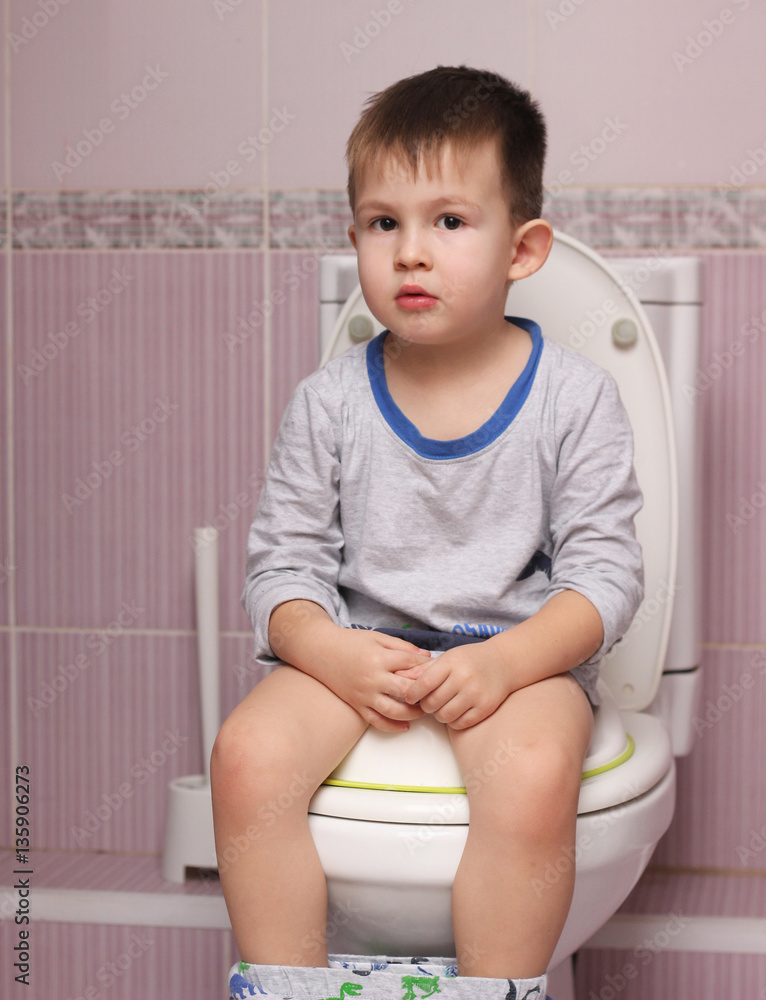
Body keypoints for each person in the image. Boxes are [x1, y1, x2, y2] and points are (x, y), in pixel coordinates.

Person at [211, 65, 644, 987]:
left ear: (523, 250)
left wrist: (507, 661)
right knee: (247, 757)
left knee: (528, 780)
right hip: (359, 654)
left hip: (514, 658)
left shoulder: (575, 400)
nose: (411, 252)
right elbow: (280, 567)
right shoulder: (328, 402)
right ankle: (291, 986)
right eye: (384, 223)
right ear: (356, 237)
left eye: (449, 221)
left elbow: (606, 577)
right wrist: (329, 651)